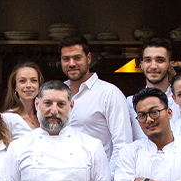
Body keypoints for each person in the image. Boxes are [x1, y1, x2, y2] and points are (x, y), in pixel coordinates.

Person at [59, 36, 137, 171]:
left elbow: (122, 144)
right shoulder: (58, 93)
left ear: (89, 58)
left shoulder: (109, 93)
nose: (71, 63)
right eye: (66, 59)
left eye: (77, 58)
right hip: (63, 178)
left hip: (96, 180)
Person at [139, 38, 181, 121]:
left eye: (160, 60)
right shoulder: (129, 104)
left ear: (170, 65)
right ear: (141, 65)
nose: (153, 66)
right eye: (148, 60)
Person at [2, 62, 43, 138]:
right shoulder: (7, 118)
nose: (28, 85)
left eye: (33, 80)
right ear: (15, 87)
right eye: (22, 81)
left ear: (39, 85)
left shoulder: (45, 116)